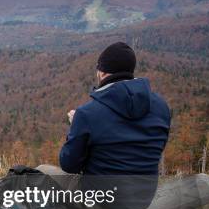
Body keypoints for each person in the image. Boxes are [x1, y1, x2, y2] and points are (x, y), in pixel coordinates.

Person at [59, 42, 171, 176]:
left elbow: (69, 165)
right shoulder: (162, 107)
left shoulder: (87, 114)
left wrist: (76, 126)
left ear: (102, 72)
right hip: (144, 194)